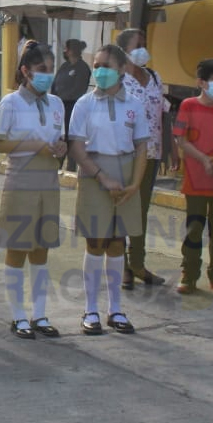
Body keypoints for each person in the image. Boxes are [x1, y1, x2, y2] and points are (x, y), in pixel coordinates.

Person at [0, 41, 67, 339]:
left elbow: (60, 139)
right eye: (41, 70)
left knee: (41, 249)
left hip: (49, 180)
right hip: (20, 180)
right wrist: (33, 146)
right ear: (26, 71)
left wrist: (60, 147)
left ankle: (40, 314)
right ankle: (18, 315)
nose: (47, 75)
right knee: (17, 248)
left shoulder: (57, 103)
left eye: (51, 69)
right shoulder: (10, 104)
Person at [67, 44, 147, 335]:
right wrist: (102, 177)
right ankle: (91, 309)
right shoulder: (85, 104)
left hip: (126, 175)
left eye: (106, 66)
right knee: (96, 242)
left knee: (117, 242)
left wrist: (135, 183)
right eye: (97, 65)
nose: (100, 71)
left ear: (122, 70)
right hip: (94, 173)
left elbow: (141, 147)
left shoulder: (134, 104)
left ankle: (115, 309)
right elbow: (76, 147)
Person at [116, 28, 173, 289]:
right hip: (127, 154)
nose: (143, 49)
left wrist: (168, 148)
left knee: (142, 210)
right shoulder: (118, 81)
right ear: (124, 51)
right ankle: (122, 267)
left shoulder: (154, 76)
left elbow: (162, 112)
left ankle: (137, 263)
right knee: (125, 209)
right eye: (137, 45)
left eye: (144, 44)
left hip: (152, 152)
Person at [171, 59, 213, 295]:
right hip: (195, 181)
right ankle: (189, 274)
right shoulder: (188, 105)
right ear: (201, 82)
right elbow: (181, 138)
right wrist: (204, 159)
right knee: (193, 229)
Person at [52, 38, 90, 172]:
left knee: (72, 141)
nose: (64, 51)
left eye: (66, 48)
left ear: (72, 50)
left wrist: (64, 99)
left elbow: (79, 89)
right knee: (60, 139)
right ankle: (55, 167)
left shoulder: (82, 68)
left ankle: (71, 170)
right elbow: (55, 85)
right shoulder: (64, 66)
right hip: (60, 111)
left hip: (73, 110)